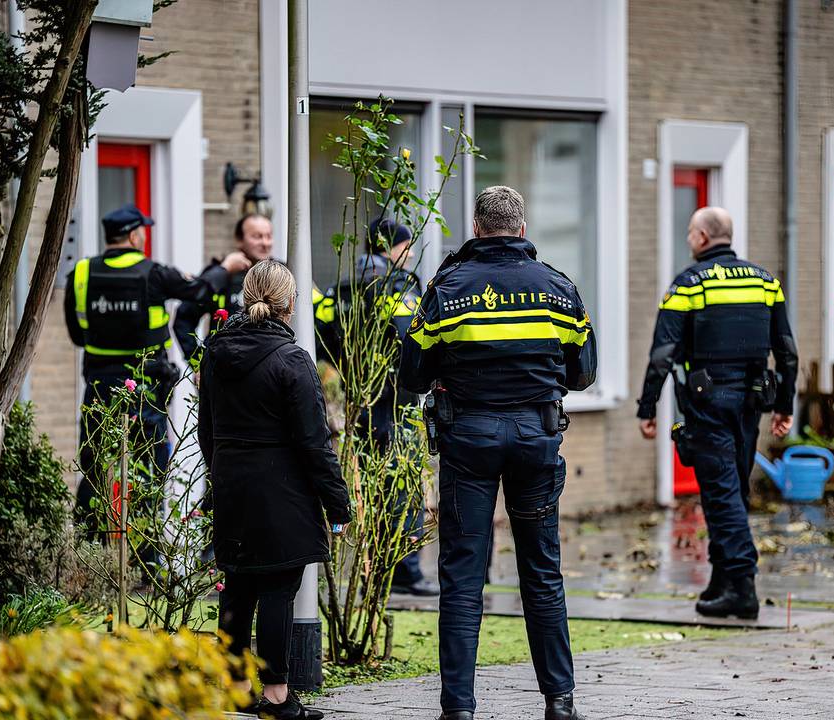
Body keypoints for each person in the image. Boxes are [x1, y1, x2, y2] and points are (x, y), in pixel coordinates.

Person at [399, 186, 597, 720]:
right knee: (542, 570)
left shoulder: (448, 288)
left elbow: (411, 374)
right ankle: (560, 702)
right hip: (536, 440)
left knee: (463, 576)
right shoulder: (559, 288)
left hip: (468, 442)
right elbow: (583, 374)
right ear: (523, 227)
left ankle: (458, 709)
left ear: (478, 226)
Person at [199, 260, 351, 720]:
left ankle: (240, 687)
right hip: (282, 492)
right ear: (290, 304)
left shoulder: (215, 352)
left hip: (232, 486)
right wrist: (338, 504)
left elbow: (208, 430)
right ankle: (278, 697)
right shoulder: (292, 359)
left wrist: (223, 474)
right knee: (279, 589)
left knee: (238, 587)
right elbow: (314, 442)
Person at [636, 206, 797, 620]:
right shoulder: (766, 283)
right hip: (750, 405)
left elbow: (662, 355)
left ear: (703, 238)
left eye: (690, 232)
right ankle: (723, 582)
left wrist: (647, 407)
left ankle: (743, 586)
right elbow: (788, 353)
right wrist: (784, 406)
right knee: (731, 492)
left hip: (707, 405)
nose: (688, 238)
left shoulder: (689, 284)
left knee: (723, 495)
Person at [65, 203, 222, 527]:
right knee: (149, 465)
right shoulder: (155, 274)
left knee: (94, 464)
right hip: (146, 387)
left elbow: (78, 335)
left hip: (99, 384)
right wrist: (226, 267)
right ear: (134, 235)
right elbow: (201, 290)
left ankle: (87, 549)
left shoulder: (80, 273)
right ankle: (146, 563)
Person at [314, 218, 439, 597]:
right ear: (390, 248)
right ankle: (406, 570)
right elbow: (412, 339)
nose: (412, 252)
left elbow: (322, 342)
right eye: (406, 246)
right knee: (402, 484)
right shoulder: (396, 288)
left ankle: (374, 567)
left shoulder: (343, 288)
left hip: (360, 399)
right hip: (395, 400)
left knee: (370, 485)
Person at [173, 213, 274, 361]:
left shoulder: (283, 273)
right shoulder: (221, 274)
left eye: (269, 236)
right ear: (239, 240)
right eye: (257, 236)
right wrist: (198, 363)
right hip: (222, 369)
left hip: (268, 366)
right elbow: (184, 318)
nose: (265, 242)